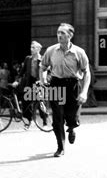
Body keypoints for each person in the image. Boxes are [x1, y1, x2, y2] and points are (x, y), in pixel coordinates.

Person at [41, 23, 90, 157]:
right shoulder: (51, 50)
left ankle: (72, 127)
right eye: (58, 33)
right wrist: (43, 79)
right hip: (56, 84)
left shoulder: (79, 52)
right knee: (57, 117)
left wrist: (84, 91)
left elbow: (87, 72)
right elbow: (43, 67)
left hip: (73, 85)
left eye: (62, 33)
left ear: (70, 35)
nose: (59, 35)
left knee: (71, 116)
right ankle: (60, 147)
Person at [12, 40, 45, 125]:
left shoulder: (42, 59)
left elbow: (47, 71)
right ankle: (30, 120)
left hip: (38, 82)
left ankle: (44, 122)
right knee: (25, 102)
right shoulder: (28, 59)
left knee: (40, 101)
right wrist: (16, 81)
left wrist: (43, 81)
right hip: (29, 82)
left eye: (33, 47)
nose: (31, 49)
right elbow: (22, 72)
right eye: (31, 47)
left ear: (38, 49)